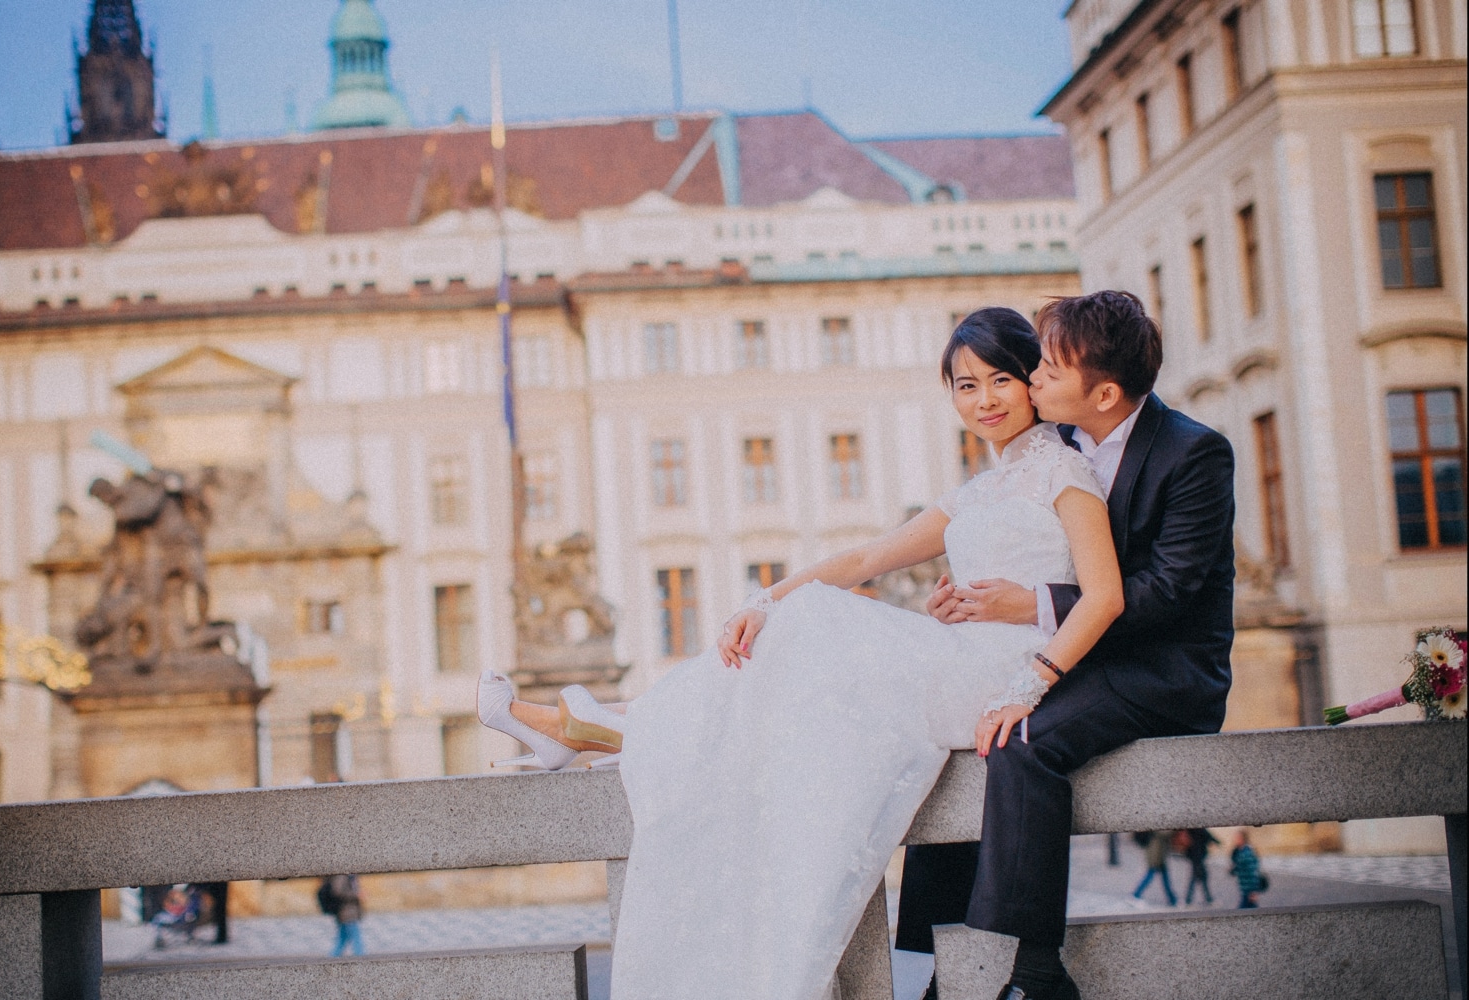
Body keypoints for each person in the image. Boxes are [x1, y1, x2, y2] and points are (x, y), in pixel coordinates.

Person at [479, 306, 1126, 1000]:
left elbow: (1106, 596)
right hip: (957, 656)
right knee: (796, 639)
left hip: (1005, 673)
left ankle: (608, 725)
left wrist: (1028, 684)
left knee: (816, 628)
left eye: (1000, 379)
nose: (985, 400)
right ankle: (613, 722)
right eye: (965, 386)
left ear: (1033, 381)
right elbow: (867, 555)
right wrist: (761, 603)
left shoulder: (1065, 472)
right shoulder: (979, 489)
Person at [901, 290, 1236, 1000]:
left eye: (1048, 368)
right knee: (964, 719)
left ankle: (1036, 973)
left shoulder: (1194, 454)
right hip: (1085, 653)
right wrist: (967, 600)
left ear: (1106, 391)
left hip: (1163, 670)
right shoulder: (1067, 444)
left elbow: (1165, 595)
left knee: (1022, 740)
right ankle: (938, 960)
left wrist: (1032, 609)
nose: (1034, 381)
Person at [319, 873, 365, 957]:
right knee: (355, 936)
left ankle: (332, 957)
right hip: (346, 912)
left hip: (349, 912)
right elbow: (337, 891)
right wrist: (355, 895)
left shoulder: (349, 876)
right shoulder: (342, 876)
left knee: (342, 938)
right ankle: (361, 958)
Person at [1132, 830, 1177, 905]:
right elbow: (1165, 834)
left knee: (1162, 879)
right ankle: (1136, 894)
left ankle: (1172, 899)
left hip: (1158, 858)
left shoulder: (1154, 834)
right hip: (1156, 858)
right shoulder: (1157, 833)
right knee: (1152, 877)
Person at [1229, 830, 1265, 909]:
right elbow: (1237, 869)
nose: (1235, 839)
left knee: (1242, 912)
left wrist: (1254, 891)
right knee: (1252, 910)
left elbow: (1253, 872)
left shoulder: (1247, 853)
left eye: (1237, 838)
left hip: (1249, 889)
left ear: (1243, 839)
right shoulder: (1239, 852)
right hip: (1244, 888)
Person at [1183, 827, 1219, 904]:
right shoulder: (1198, 828)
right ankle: (1206, 899)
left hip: (1194, 855)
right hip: (1197, 855)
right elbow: (1207, 836)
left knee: (1197, 877)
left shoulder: (1191, 828)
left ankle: (1189, 899)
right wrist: (1216, 842)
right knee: (1200, 877)